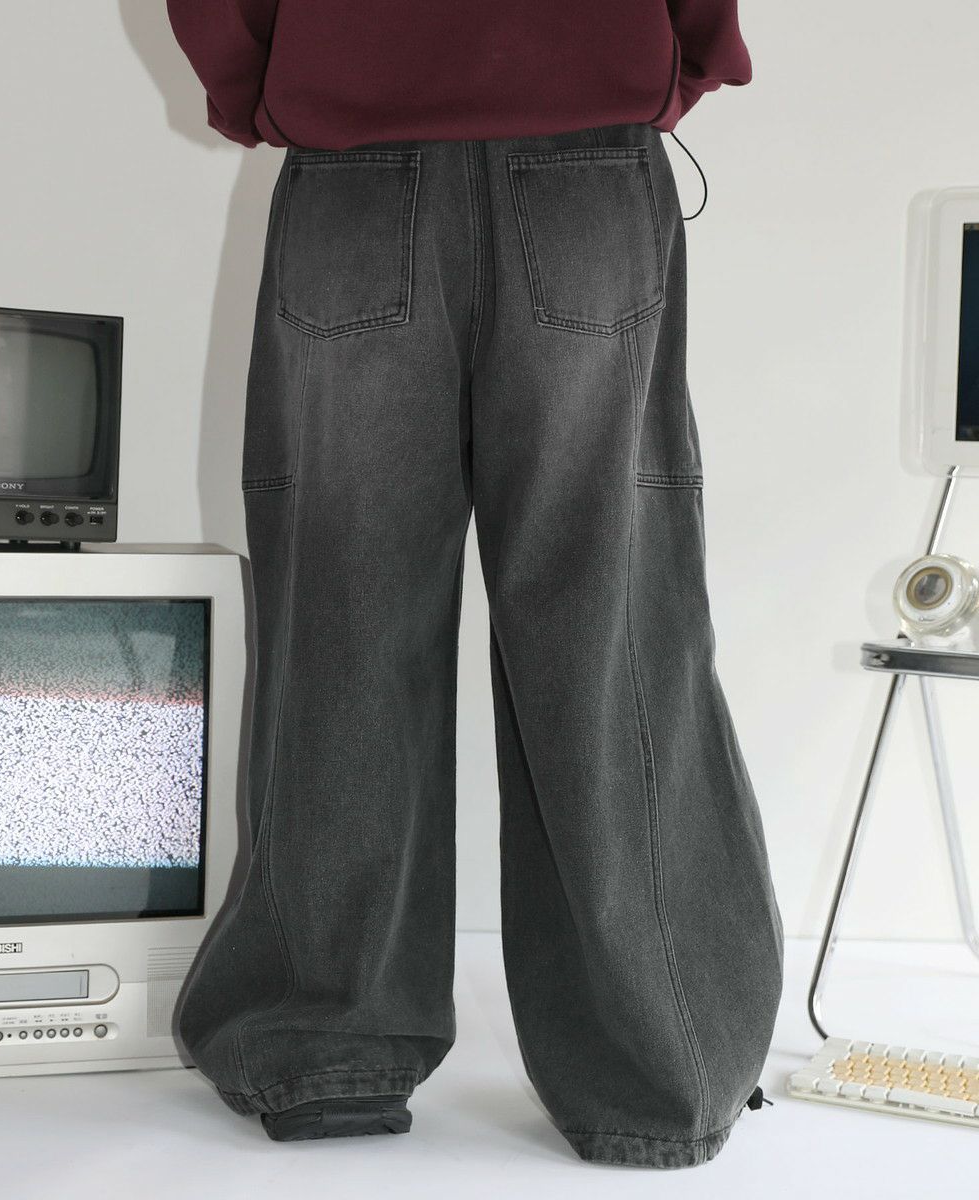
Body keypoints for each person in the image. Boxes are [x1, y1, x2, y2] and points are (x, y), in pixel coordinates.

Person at [166, 0, 784, 1169]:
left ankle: (324, 1045)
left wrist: (290, 80)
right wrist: (654, 62)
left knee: (341, 613)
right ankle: (656, 1068)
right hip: (585, 171)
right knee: (610, 618)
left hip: (354, 175)